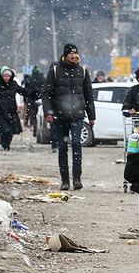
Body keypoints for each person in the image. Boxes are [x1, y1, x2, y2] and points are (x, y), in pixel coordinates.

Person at [41, 44, 95, 191]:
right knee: (62, 148)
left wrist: (91, 116)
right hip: (59, 116)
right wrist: (48, 112)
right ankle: (65, 180)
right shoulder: (55, 70)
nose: (73, 56)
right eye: (70, 53)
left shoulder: (82, 71)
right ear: (65, 55)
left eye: (75, 53)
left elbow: (88, 95)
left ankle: (77, 179)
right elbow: (46, 93)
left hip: (77, 115)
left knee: (77, 145)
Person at [0, 66, 27, 151]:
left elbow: (23, 91)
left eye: (8, 76)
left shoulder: (13, 84)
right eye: (5, 76)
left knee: (11, 131)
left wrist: (35, 93)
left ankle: (7, 144)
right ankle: (5, 145)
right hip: (0, 112)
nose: (7, 78)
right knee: (5, 130)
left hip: (11, 110)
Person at [21, 67, 45, 133]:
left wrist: (25, 98)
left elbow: (26, 90)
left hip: (31, 98)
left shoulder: (29, 79)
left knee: (32, 113)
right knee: (40, 113)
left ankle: (34, 125)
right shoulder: (43, 79)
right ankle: (37, 126)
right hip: (41, 98)